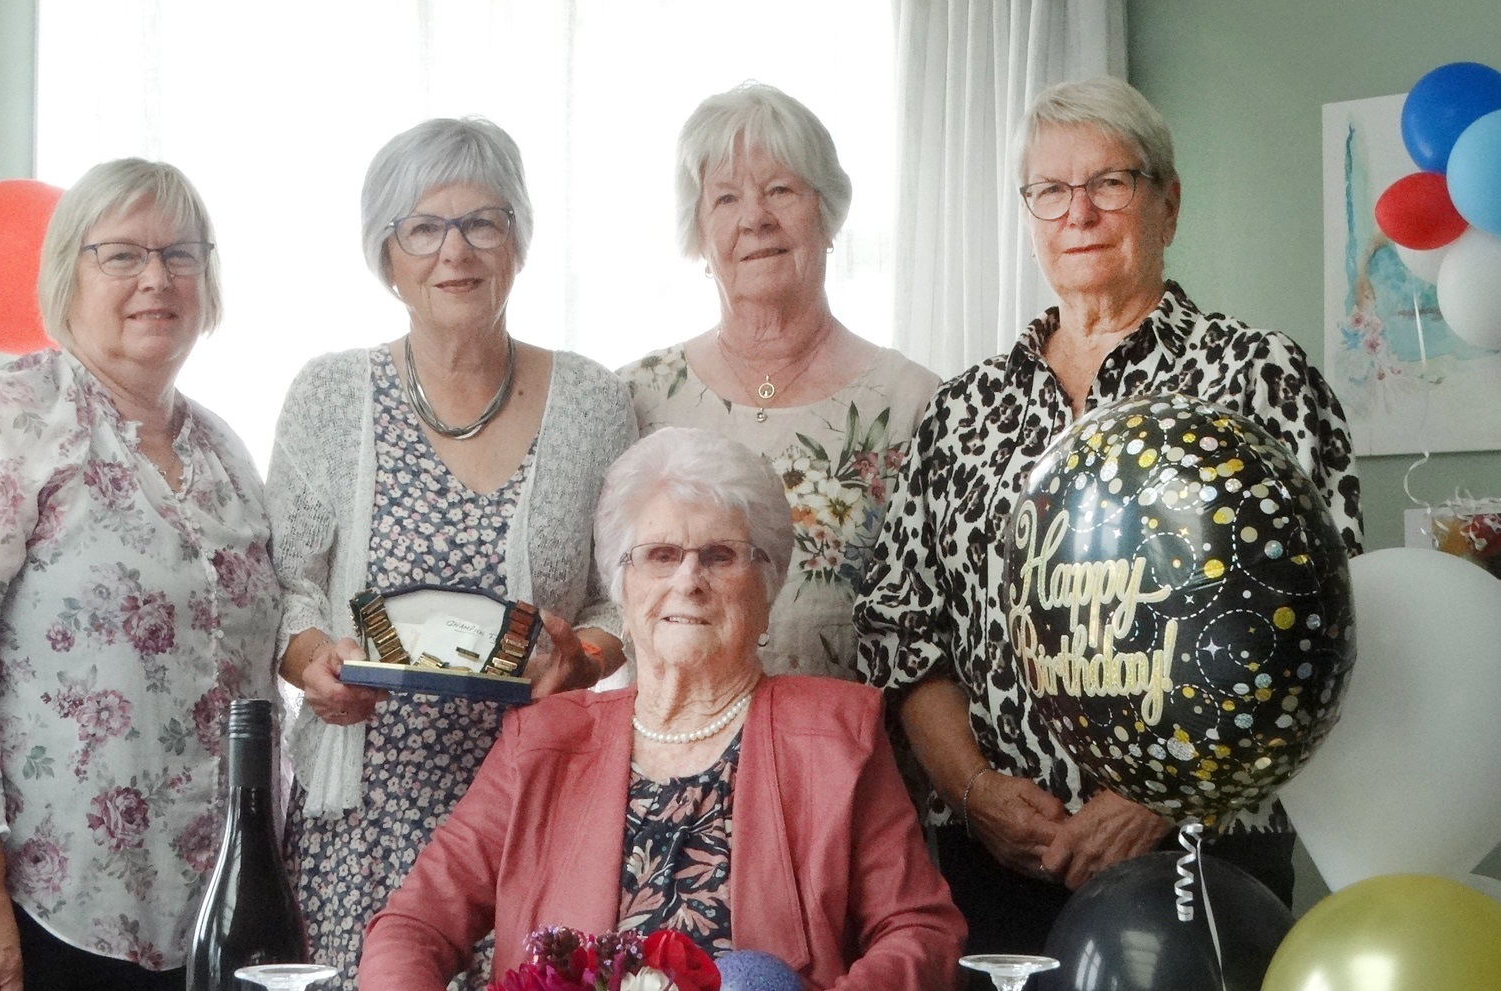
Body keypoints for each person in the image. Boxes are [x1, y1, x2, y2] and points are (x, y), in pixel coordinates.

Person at [855, 76, 1366, 956]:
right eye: (1050, 190)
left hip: (1203, 855)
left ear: (1167, 203)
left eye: (1109, 183)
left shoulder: (1256, 376)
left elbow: (1316, 628)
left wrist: (1155, 796)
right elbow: (902, 629)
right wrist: (975, 793)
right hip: (997, 863)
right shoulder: (962, 408)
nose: (1078, 213)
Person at [0, 159, 280, 991]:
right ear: (65, 275)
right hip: (22, 913)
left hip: (196, 916)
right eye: (122, 254)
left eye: (180, 254)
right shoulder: (1, 425)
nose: (156, 278)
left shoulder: (224, 451)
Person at [356, 427, 966, 991]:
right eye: (661, 555)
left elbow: (920, 931)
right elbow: (414, 925)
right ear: (621, 590)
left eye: (720, 555)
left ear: (767, 588)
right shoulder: (539, 742)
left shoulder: (837, 734)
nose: (689, 580)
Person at [265, 117, 636, 989]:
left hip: (535, 811)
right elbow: (285, 586)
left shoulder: (594, 400)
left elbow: (624, 593)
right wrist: (315, 662)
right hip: (362, 817)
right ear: (385, 255)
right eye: (423, 228)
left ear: (518, 240)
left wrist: (582, 660)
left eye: (482, 223)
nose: (454, 251)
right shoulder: (329, 394)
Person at [619, 83, 940, 681]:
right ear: (699, 233)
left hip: (852, 737)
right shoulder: (635, 400)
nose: (755, 218)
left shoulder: (913, 403)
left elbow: (935, 629)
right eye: (726, 198)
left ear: (827, 213)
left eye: (780, 190)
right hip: (669, 734)